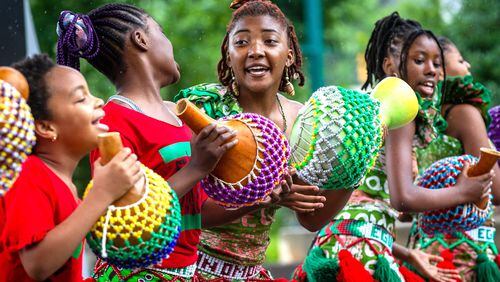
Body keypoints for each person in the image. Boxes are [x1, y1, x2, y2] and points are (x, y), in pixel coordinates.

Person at [292, 12, 492, 282]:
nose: (432, 70)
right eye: (419, 60)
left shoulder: (376, 113)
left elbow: (364, 207)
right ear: (390, 67)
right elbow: (403, 198)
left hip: (347, 242)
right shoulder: (398, 114)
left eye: (437, 62)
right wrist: (463, 192)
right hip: (360, 252)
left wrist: (407, 254)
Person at [174, 1, 336, 280]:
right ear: (228, 55)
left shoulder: (303, 120)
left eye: (270, 41)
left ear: (288, 54)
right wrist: (260, 200)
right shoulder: (203, 109)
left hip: (251, 273)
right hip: (193, 271)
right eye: (242, 42)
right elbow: (189, 212)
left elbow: (312, 219)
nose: (255, 51)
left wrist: (357, 156)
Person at [0, 54, 140, 281]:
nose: (98, 101)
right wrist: (101, 195)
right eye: (80, 98)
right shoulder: (28, 174)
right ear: (46, 126)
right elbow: (37, 264)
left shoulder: (66, 187)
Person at [408, 36, 500, 281]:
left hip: (425, 250)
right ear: (441, 71)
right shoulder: (466, 113)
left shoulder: (421, 118)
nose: (467, 65)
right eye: (459, 60)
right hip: (464, 253)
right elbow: (496, 190)